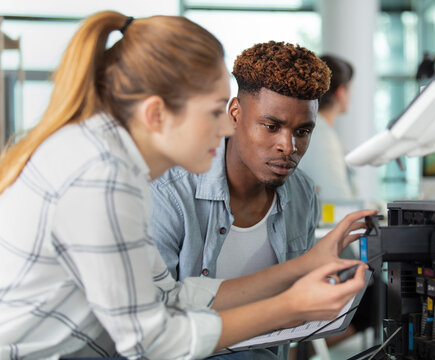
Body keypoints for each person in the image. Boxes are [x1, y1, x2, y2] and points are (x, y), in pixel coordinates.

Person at [0, 11, 376, 359]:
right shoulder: (101, 178)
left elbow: (170, 296)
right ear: (157, 114)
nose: (225, 128)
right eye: (215, 112)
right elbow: (150, 342)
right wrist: (289, 307)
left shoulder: (109, 161)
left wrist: (305, 266)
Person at [150, 40, 332, 359]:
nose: (287, 147)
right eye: (271, 126)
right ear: (235, 113)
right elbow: (151, 320)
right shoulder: (170, 191)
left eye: (303, 132)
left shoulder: (303, 194)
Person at [298, 54, 356, 201]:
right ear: (341, 92)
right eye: (350, 89)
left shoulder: (313, 131)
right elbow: (337, 199)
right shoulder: (322, 137)